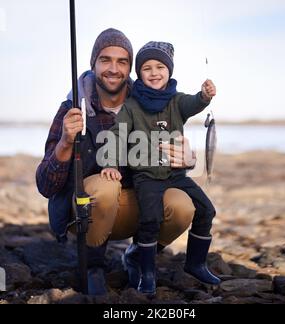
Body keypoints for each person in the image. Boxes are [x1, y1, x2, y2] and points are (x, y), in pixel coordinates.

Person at [36, 29, 199, 296]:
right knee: (106, 187)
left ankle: (138, 254)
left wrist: (188, 160)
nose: (113, 69)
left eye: (122, 61)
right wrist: (65, 142)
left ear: (130, 68)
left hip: (141, 203)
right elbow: (45, 185)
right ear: (93, 64)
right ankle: (93, 265)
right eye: (105, 60)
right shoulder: (72, 107)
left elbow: (170, 159)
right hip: (89, 210)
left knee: (183, 205)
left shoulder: (153, 104)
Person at [101, 41, 220, 296]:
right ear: (139, 74)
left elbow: (195, 103)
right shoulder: (132, 106)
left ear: (169, 70)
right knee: (150, 220)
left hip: (176, 175)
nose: (154, 72)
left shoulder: (177, 101)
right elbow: (117, 135)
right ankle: (147, 274)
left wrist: (205, 95)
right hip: (146, 177)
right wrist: (111, 163)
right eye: (147, 68)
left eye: (160, 67)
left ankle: (196, 263)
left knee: (207, 210)